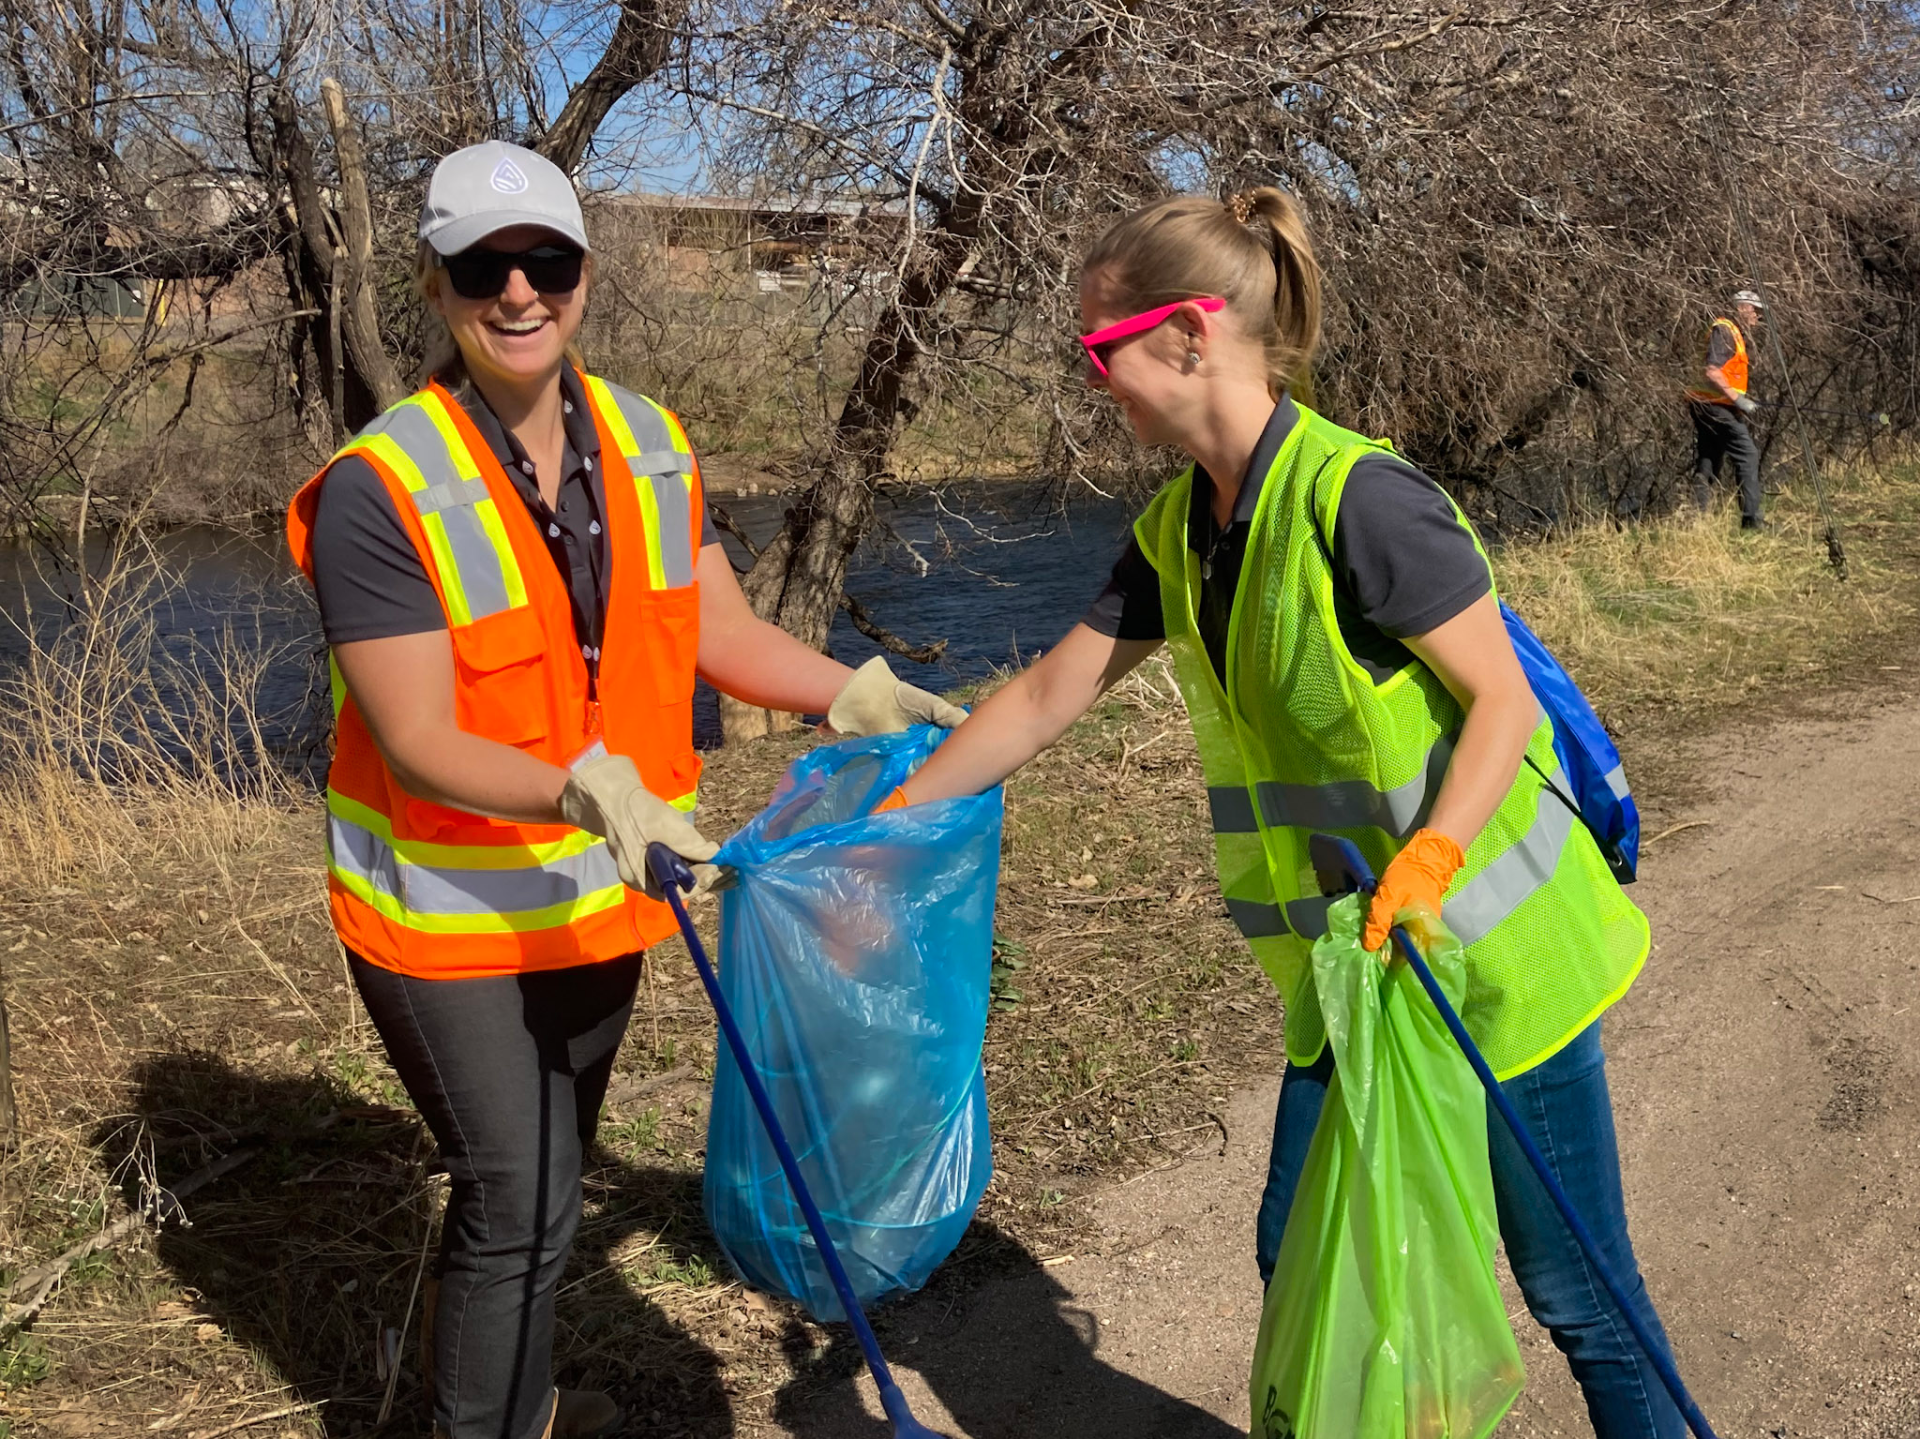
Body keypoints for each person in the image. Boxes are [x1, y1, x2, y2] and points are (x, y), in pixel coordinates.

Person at [884, 189, 1686, 1438]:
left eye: (1103, 349)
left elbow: (1504, 704)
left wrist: (1433, 853)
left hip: (1500, 964)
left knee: (1578, 1292)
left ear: (1193, 335)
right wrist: (865, 837)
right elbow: (1045, 694)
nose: (1093, 379)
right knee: (1306, 1258)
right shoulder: (1177, 530)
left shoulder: (1360, 500)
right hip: (1356, 972)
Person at [285, 140, 964, 1439]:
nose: (520, 290)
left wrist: (850, 691)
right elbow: (418, 732)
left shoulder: (650, 440)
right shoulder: (385, 486)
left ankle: (525, 1398)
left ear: (585, 274)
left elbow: (718, 630)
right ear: (434, 288)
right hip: (446, 921)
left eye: (548, 259)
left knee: (547, 1185)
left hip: (599, 900)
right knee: (520, 1190)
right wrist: (588, 786)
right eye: (485, 267)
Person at [1684, 289, 1765, 529]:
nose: (1758, 317)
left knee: (1709, 458)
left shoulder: (1731, 332)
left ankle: (1696, 518)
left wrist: (1736, 399)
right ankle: (1751, 519)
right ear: (1743, 308)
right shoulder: (1725, 331)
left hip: (1706, 404)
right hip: (1715, 406)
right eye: (1756, 311)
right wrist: (1736, 399)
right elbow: (1712, 371)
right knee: (1748, 454)